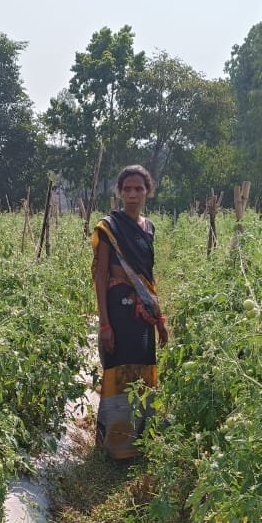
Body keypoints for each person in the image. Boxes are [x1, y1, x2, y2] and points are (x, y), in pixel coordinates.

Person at [92, 165, 168, 460]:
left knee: (143, 365)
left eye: (139, 188)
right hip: (119, 310)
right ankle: (115, 444)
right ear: (119, 192)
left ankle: (141, 440)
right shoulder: (108, 227)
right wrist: (105, 324)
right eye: (127, 189)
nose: (133, 194)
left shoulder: (149, 228)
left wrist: (159, 320)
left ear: (148, 191)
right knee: (119, 367)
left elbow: (148, 276)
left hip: (143, 313)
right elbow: (100, 276)